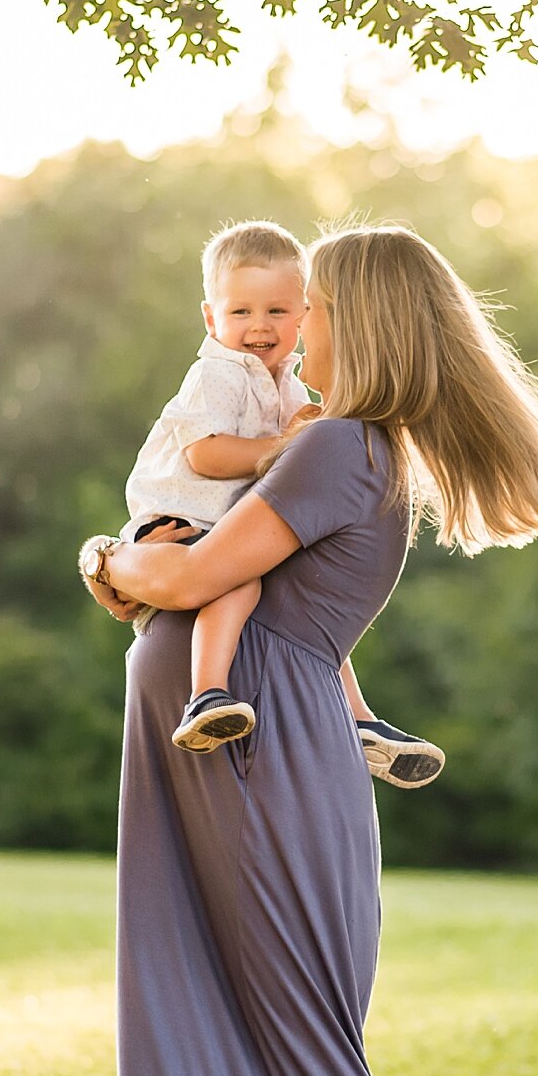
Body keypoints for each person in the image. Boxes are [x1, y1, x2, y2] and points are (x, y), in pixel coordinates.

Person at [76, 223, 538, 1076]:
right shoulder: (345, 444)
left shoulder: (339, 445)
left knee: (299, 1026)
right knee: (205, 1005)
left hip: (256, 751)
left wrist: (105, 557)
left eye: (319, 307)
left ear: (361, 322)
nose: (300, 326)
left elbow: (191, 575)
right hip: (220, 747)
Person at [119, 219, 442, 789]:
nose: (259, 327)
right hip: (180, 518)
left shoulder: (291, 387)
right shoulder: (216, 375)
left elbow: (298, 455)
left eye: (280, 311)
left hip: (221, 527)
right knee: (240, 584)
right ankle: (206, 693)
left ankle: (360, 720)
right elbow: (208, 457)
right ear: (210, 317)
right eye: (240, 312)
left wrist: (302, 431)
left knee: (300, 610)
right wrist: (284, 445)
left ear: (302, 316)